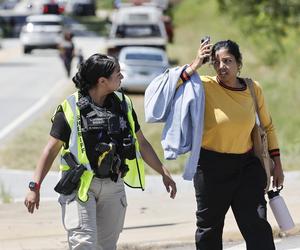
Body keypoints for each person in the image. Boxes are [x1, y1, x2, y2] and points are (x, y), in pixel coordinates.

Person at [24, 53, 177, 250]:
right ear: (102, 81)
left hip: (114, 187)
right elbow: (50, 150)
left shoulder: (124, 104)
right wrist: (34, 187)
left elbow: (142, 143)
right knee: (84, 245)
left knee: (106, 247)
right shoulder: (70, 107)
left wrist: (163, 171)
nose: (122, 77)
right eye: (118, 74)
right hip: (80, 187)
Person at [178, 39, 284, 250]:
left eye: (227, 61)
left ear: (238, 63)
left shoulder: (253, 88)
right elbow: (171, 86)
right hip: (210, 168)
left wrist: (277, 164)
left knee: (257, 225)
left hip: (246, 166)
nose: (222, 66)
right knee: (209, 230)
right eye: (216, 62)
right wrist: (197, 62)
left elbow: (268, 127)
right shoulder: (204, 85)